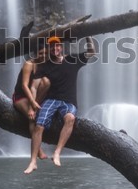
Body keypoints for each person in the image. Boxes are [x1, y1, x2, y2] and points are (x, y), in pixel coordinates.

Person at [24, 35, 95, 174]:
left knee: (70, 118)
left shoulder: (72, 60)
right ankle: (33, 161)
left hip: (69, 101)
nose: (55, 48)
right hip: (51, 100)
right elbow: (33, 86)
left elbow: (92, 51)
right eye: (52, 46)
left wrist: (88, 35)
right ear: (49, 48)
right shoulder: (45, 66)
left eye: (57, 45)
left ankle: (57, 153)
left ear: (61, 47)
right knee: (39, 125)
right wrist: (32, 105)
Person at [13, 43, 50, 160]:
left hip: (34, 97)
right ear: (35, 54)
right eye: (40, 53)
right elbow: (24, 85)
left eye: (45, 53)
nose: (43, 55)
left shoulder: (45, 65)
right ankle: (38, 150)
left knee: (46, 81)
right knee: (33, 118)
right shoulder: (29, 64)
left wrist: (34, 104)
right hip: (21, 96)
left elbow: (40, 86)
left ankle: (33, 108)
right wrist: (31, 106)